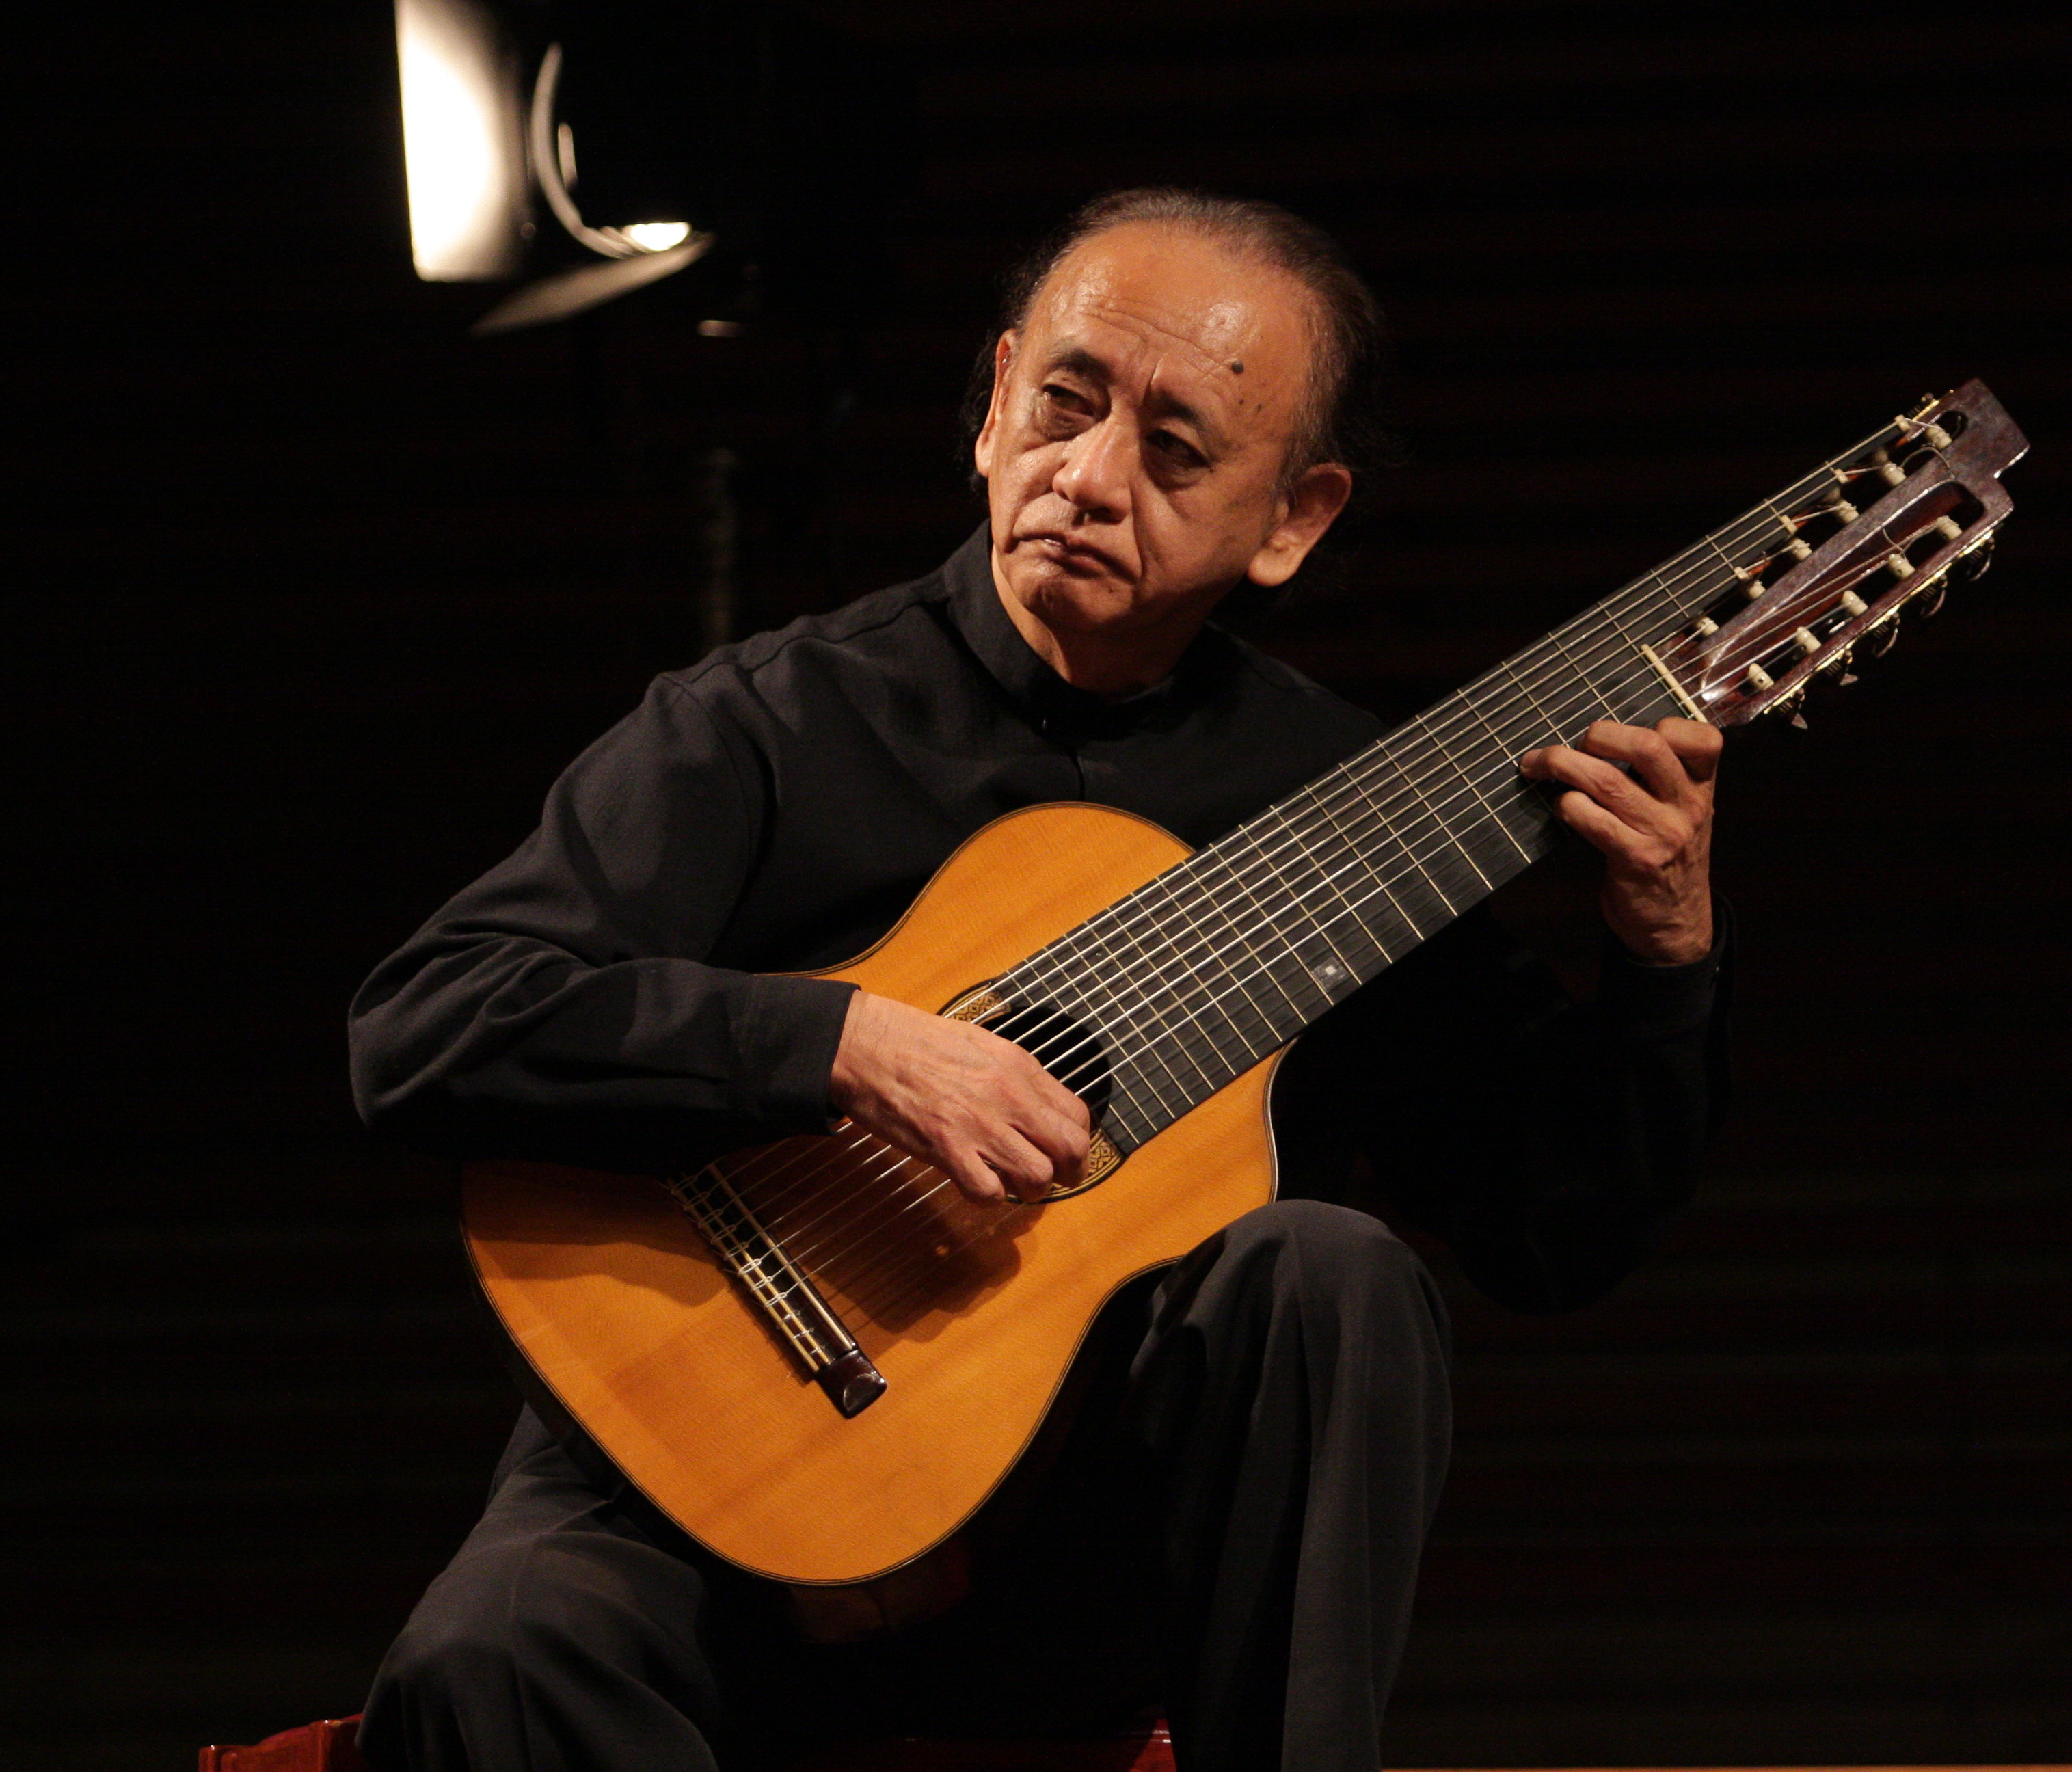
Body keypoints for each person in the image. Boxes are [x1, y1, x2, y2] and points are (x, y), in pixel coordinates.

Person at [347, 188, 1729, 1772]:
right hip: (700, 1508)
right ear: (996, 398)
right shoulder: (774, 722)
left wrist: (1665, 954)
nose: (1088, 475)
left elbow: (1557, 1233)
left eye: (1175, 448)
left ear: (1295, 518)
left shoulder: (1343, 822)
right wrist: (840, 1043)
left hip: (1065, 1569)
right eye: (1067, 404)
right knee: (487, 1656)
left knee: (1329, 1275)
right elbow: (428, 1021)